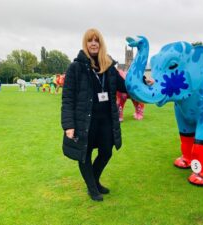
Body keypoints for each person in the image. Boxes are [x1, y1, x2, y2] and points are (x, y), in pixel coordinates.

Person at [61, 28, 154, 202]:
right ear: (86, 44)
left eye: (97, 40)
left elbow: (125, 85)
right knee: (85, 154)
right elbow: (67, 98)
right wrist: (69, 125)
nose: (94, 43)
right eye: (90, 40)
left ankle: (94, 181)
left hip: (105, 121)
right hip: (85, 121)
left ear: (101, 43)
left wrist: (143, 81)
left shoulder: (109, 67)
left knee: (106, 152)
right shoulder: (76, 67)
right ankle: (92, 187)